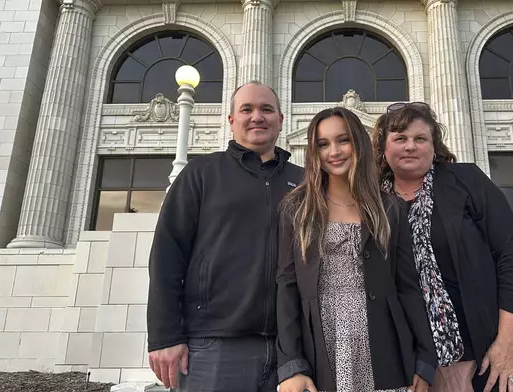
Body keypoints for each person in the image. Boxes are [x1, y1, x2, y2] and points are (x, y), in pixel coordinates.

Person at [372, 102, 513, 392]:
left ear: (434, 146)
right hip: (414, 355)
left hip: (485, 341)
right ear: (383, 147)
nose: (410, 146)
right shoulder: (373, 202)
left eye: (420, 138)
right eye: (400, 138)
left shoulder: (465, 180)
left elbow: (511, 255)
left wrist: (507, 340)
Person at [146, 81, 304, 391]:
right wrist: (165, 335)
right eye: (247, 109)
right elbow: (167, 254)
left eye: (266, 109)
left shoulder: (303, 181)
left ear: (280, 120)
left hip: (291, 350)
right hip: (214, 347)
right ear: (231, 121)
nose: (257, 116)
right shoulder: (201, 173)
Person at [276, 107, 438, 392]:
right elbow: (287, 286)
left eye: (343, 140)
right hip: (322, 342)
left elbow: (408, 287)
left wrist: (425, 359)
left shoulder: (388, 207)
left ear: (358, 143)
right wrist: (292, 364)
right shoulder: (297, 208)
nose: (334, 151)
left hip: (384, 343)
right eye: (323, 144)